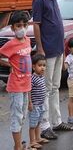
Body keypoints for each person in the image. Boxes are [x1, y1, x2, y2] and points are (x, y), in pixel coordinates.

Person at [32, 0, 73, 138]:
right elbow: (36, 25)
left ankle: (56, 122)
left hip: (57, 50)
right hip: (47, 51)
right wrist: (40, 49)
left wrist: (63, 50)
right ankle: (45, 126)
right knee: (46, 89)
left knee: (55, 87)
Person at [0, 11, 33, 150]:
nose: (22, 28)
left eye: (24, 25)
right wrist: (9, 65)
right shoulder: (10, 44)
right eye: (18, 26)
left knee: (23, 115)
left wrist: (30, 98)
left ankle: (18, 144)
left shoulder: (27, 40)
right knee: (16, 116)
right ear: (13, 28)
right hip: (15, 86)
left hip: (26, 85)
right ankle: (18, 147)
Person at [28, 54, 49, 149]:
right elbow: (29, 90)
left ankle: (38, 138)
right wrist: (30, 102)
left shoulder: (41, 77)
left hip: (41, 104)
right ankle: (32, 141)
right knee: (33, 124)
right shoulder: (32, 78)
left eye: (44, 65)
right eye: (40, 65)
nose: (42, 68)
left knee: (38, 122)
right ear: (33, 66)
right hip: (34, 105)